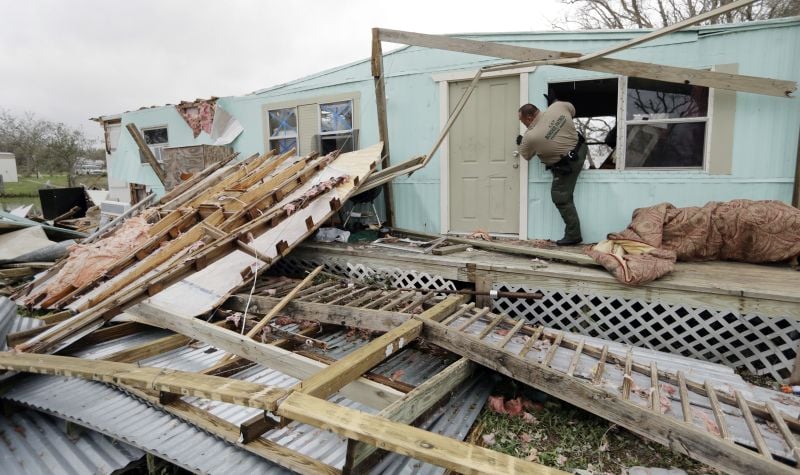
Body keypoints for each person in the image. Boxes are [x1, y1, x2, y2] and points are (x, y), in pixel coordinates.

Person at [517, 101, 587, 246]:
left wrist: (521, 141)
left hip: (568, 164)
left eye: (523, 121)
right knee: (563, 194)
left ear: (529, 118)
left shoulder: (530, 136)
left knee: (560, 196)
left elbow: (526, 155)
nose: (524, 125)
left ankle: (574, 235)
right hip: (581, 148)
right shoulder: (558, 106)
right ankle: (574, 233)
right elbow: (572, 110)